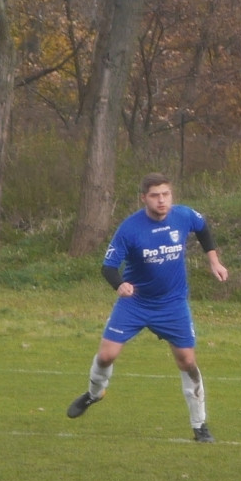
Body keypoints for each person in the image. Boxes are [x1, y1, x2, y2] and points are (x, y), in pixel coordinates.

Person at [66, 172, 229, 442]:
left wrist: (214, 260)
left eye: (166, 194)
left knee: (187, 361)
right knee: (106, 356)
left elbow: (202, 228)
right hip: (136, 303)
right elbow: (108, 266)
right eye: (155, 195)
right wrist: (119, 284)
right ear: (144, 198)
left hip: (173, 304)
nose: (162, 200)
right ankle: (94, 394)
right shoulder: (130, 228)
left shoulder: (184, 216)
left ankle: (200, 426)